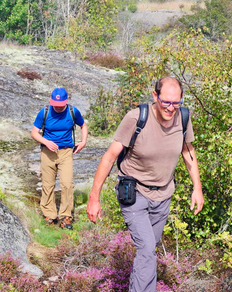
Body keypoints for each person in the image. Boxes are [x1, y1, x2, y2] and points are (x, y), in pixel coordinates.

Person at [86, 77, 204, 292]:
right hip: (134, 193)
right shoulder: (136, 118)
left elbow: (188, 152)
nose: (170, 108)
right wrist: (94, 198)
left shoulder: (183, 118)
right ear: (155, 96)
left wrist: (197, 189)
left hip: (163, 195)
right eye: (165, 102)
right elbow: (109, 157)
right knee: (148, 249)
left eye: (176, 103)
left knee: (148, 251)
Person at [31, 88, 88, 230]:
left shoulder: (73, 111)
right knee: (47, 184)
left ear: (66, 101)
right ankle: (49, 215)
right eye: (55, 103)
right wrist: (45, 141)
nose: (57, 106)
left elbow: (83, 125)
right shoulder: (44, 112)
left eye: (60, 104)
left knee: (67, 183)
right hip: (47, 153)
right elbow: (34, 132)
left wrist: (83, 141)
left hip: (66, 152)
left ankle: (65, 216)